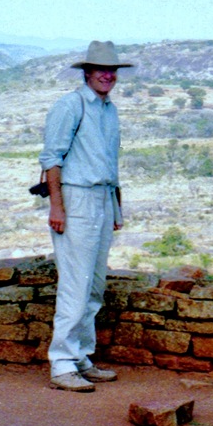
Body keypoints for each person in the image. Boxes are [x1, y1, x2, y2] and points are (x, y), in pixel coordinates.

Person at [38, 40, 132, 392]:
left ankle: (80, 357)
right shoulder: (70, 106)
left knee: (94, 285)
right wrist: (57, 207)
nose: (107, 75)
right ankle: (62, 363)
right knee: (76, 283)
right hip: (77, 197)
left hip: (102, 198)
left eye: (112, 70)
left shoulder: (109, 110)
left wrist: (116, 208)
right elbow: (52, 158)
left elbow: (110, 163)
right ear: (87, 72)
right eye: (101, 70)